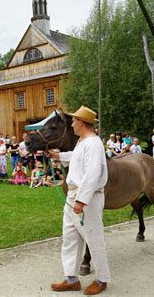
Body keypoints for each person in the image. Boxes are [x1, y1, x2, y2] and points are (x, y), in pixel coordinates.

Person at [48, 105, 110, 295]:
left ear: (81, 122)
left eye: (74, 120)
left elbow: (93, 173)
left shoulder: (93, 143)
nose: (72, 123)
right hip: (72, 197)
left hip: (86, 200)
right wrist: (59, 155)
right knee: (70, 238)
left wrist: (82, 200)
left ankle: (101, 279)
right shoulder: (84, 142)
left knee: (93, 237)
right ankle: (71, 278)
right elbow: (77, 157)